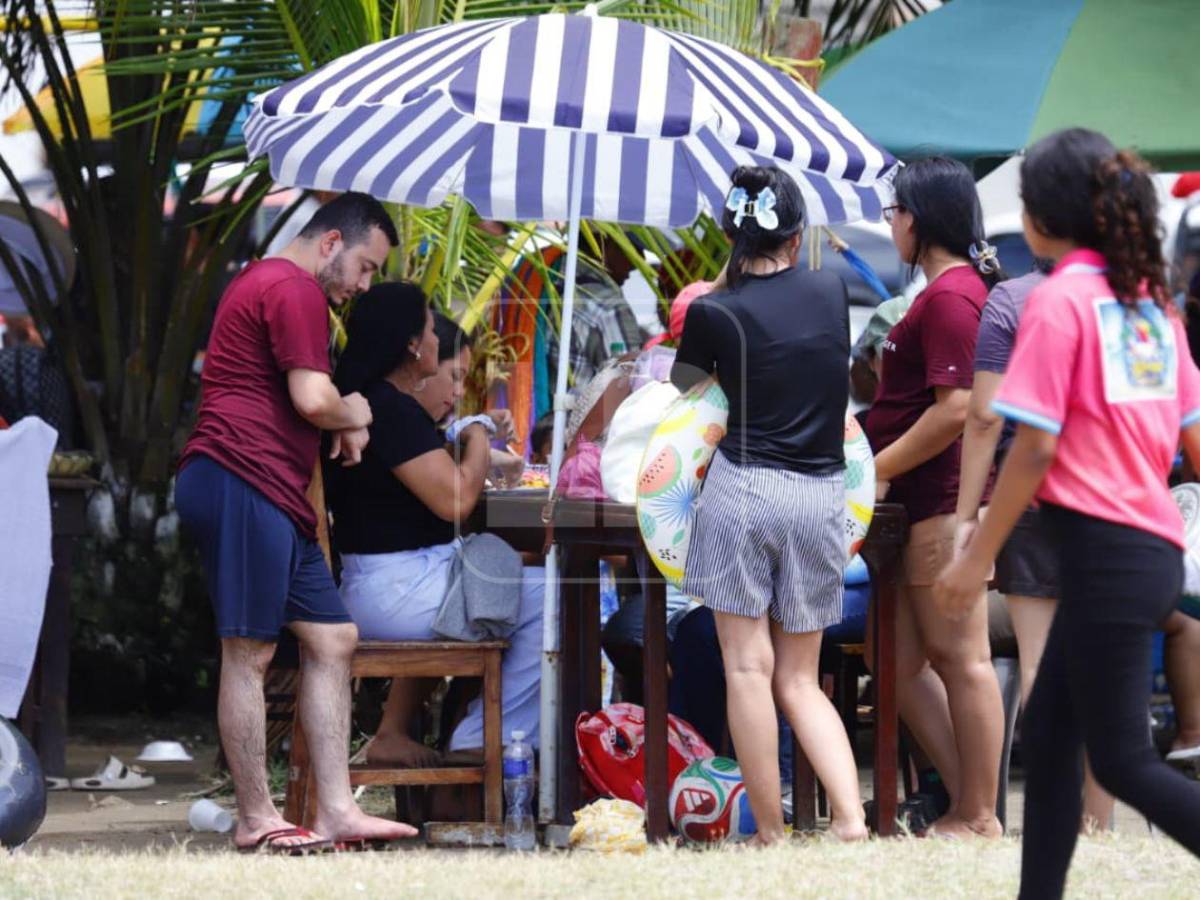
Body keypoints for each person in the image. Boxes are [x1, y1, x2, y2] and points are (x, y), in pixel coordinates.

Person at [937, 128, 1200, 898]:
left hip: (1108, 555)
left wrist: (975, 556)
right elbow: (1191, 435)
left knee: (1120, 758)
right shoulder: (1150, 307)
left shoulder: (1057, 304)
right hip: (1147, 548)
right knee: (1051, 735)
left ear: (1043, 218)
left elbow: (1033, 449)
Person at [174, 192, 414, 853]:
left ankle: (336, 810)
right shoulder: (292, 286)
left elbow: (303, 402)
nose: (364, 285)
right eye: (366, 267)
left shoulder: (270, 282)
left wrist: (336, 422)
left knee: (334, 640)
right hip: (239, 478)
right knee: (248, 653)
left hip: (275, 492)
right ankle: (256, 816)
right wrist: (355, 412)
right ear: (332, 243)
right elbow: (313, 397)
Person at [671, 165, 865, 844]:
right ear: (797, 233)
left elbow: (688, 386)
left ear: (728, 233)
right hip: (821, 495)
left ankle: (773, 834)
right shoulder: (830, 289)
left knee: (747, 666)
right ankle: (850, 817)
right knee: (801, 679)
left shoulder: (712, 311)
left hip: (745, 489)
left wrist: (722, 288)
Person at [325, 284, 544, 758]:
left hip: (387, 585)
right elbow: (457, 501)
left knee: (495, 581)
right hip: (397, 593)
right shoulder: (389, 408)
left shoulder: (382, 404)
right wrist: (479, 432)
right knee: (553, 597)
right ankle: (485, 746)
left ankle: (393, 735)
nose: (433, 335)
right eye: (428, 328)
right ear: (411, 345)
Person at [864, 156, 1006, 839]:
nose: (889, 224)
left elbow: (955, 410)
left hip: (941, 502)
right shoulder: (945, 294)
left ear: (915, 220)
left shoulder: (950, 298)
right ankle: (968, 802)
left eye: (893, 213)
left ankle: (979, 812)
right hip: (921, 506)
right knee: (897, 665)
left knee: (960, 658)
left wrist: (879, 466)